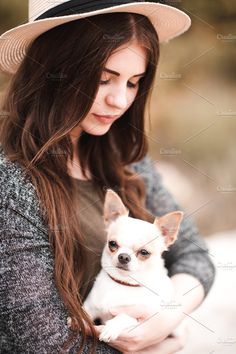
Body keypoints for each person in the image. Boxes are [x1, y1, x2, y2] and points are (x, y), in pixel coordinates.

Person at [0, 1, 215, 353]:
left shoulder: (127, 159)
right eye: (103, 79)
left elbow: (194, 254)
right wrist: (157, 348)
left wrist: (163, 320)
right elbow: (45, 343)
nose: (119, 100)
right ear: (55, 71)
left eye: (134, 83)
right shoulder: (11, 183)